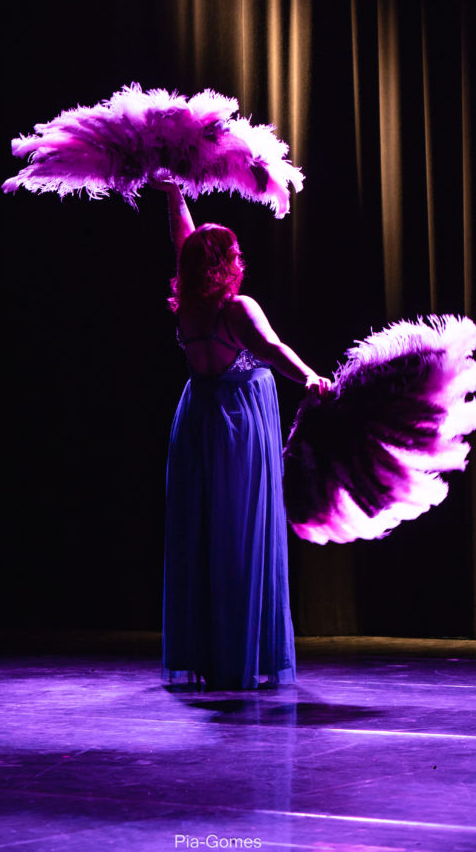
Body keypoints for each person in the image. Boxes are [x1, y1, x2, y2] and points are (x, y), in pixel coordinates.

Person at [156, 181, 332, 690]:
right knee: (239, 533)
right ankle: (243, 652)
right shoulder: (238, 309)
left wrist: (172, 192)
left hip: (198, 421)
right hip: (238, 424)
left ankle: (210, 651)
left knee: (206, 533)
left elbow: (182, 239)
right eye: (232, 251)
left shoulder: (190, 305)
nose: (240, 256)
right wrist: (313, 379)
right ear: (221, 264)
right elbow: (274, 350)